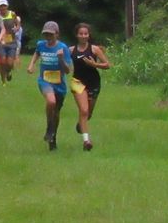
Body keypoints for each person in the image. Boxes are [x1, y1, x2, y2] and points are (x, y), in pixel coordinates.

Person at [27, 21, 72, 151]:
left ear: (57, 34)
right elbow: (37, 53)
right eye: (46, 34)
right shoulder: (41, 45)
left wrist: (61, 59)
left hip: (59, 84)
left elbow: (68, 71)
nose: (48, 37)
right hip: (45, 81)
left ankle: (53, 138)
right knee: (51, 102)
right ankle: (49, 128)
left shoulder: (63, 48)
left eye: (51, 34)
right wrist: (31, 65)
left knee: (56, 112)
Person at [71, 23, 111, 151]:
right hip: (77, 82)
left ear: (89, 35)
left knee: (88, 113)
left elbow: (107, 65)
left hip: (93, 82)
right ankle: (86, 141)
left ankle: (81, 125)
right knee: (83, 110)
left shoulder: (94, 49)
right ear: (77, 35)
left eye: (86, 34)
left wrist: (94, 64)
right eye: (81, 33)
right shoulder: (71, 50)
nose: (83, 36)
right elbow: (62, 63)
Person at [0, 0, 21, 84]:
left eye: (4, 5)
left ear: (7, 6)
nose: (3, 7)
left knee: (10, 63)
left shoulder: (12, 14)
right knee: (2, 61)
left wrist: (16, 29)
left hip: (11, 41)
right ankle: (3, 81)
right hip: (1, 41)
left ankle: (8, 72)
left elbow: (18, 24)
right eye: (1, 6)